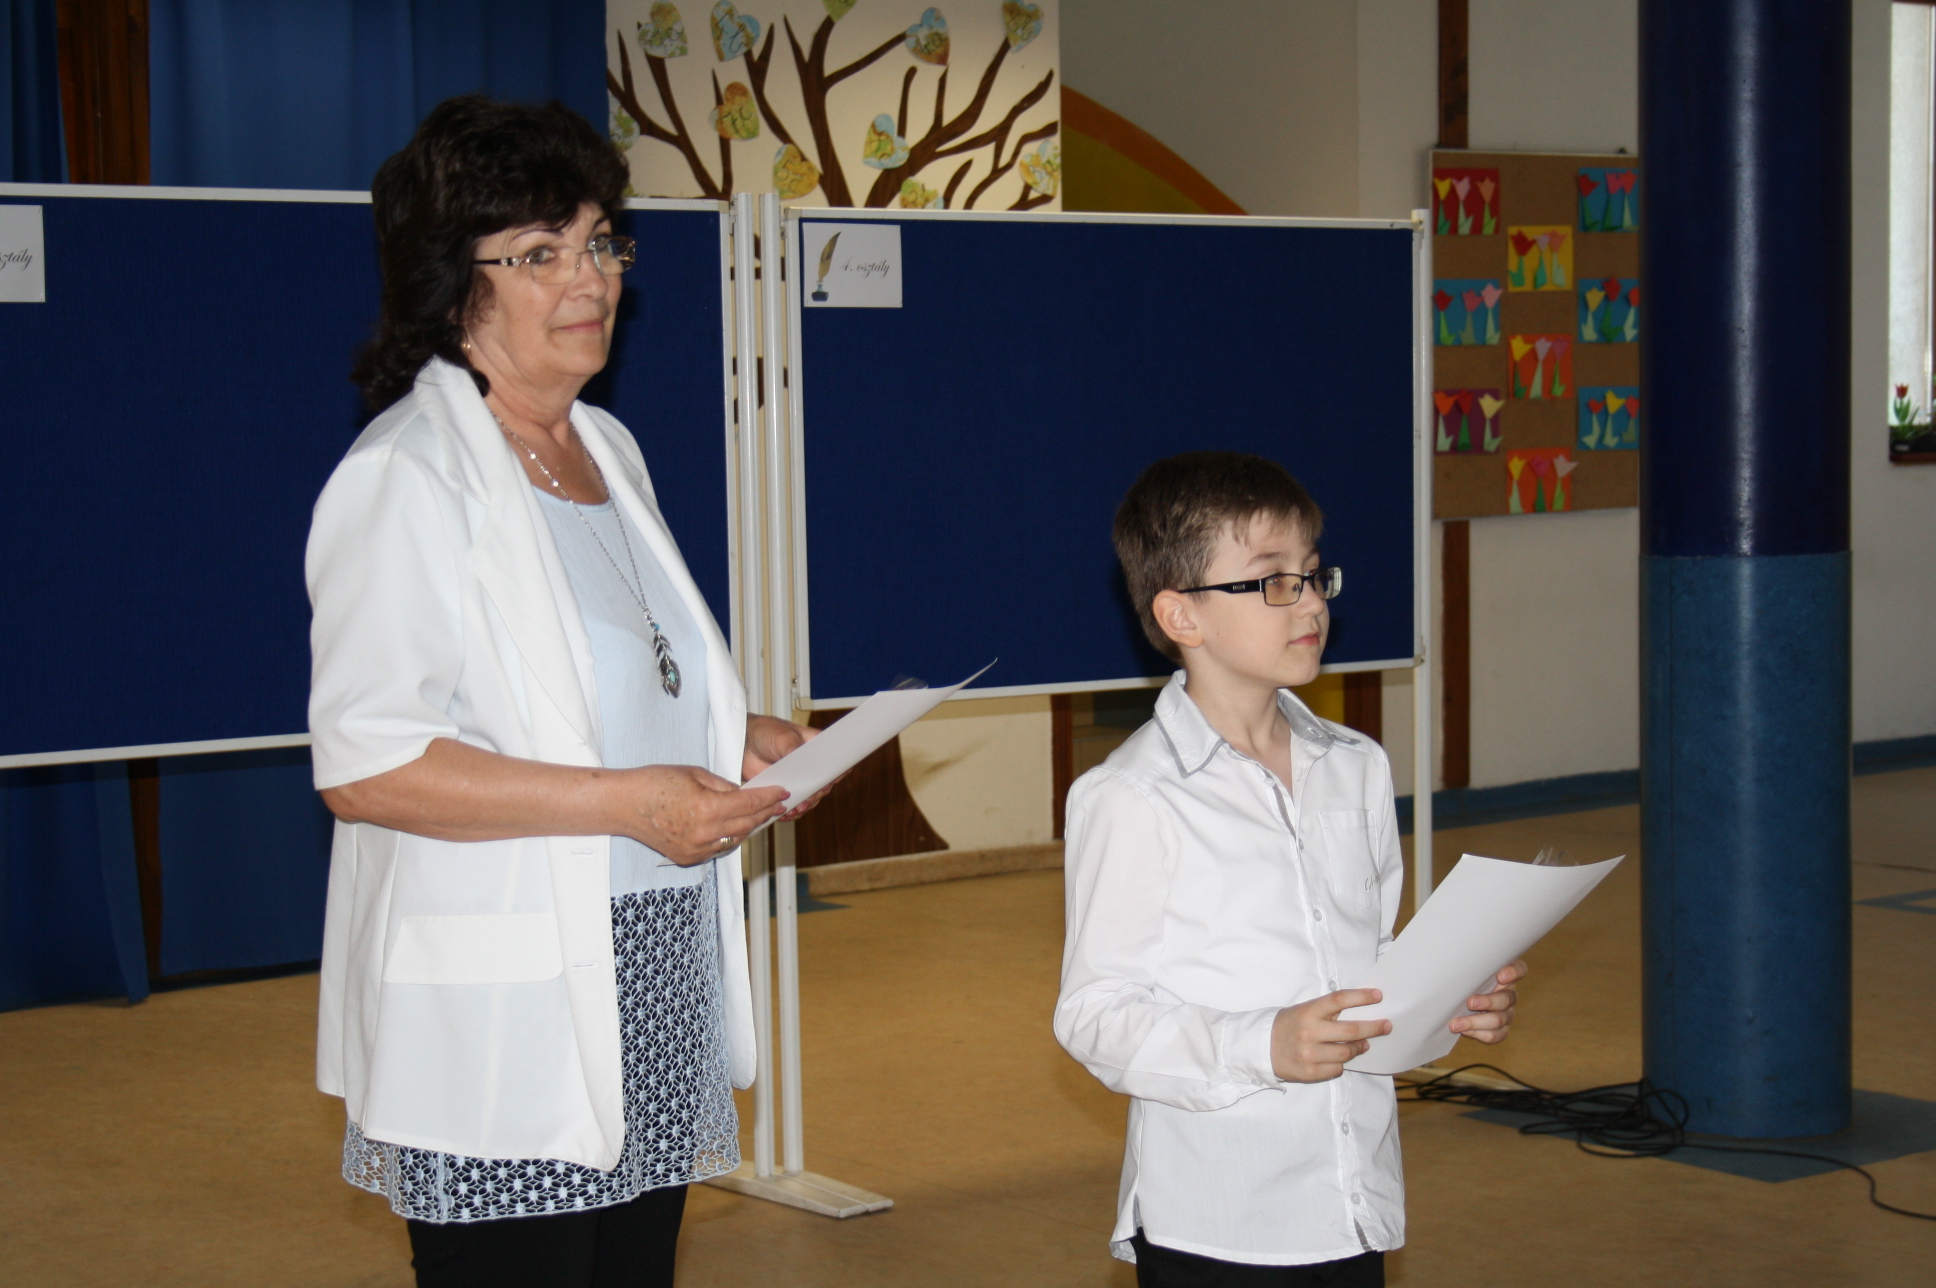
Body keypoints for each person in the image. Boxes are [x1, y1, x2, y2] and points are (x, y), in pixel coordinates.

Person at [307, 96, 823, 1288]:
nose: (590, 278)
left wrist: (731, 733)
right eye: (539, 253)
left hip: (651, 952)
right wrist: (628, 801)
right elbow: (369, 765)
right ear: (453, 285)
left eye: (599, 242)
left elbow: (599, 681)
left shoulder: (607, 447)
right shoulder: (406, 477)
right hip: (507, 1000)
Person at [1053, 452, 1526, 1287]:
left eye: (1312, 575)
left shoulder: (1356, 765)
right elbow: (1095, 1015)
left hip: (1352, 1200)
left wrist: (1446, 992)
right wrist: (1262, 1044)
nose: (1309, 602)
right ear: (1181, 615)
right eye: (1273, 581)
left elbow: (1366, 959)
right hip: (1219, 1221)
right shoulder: (1131, 796)